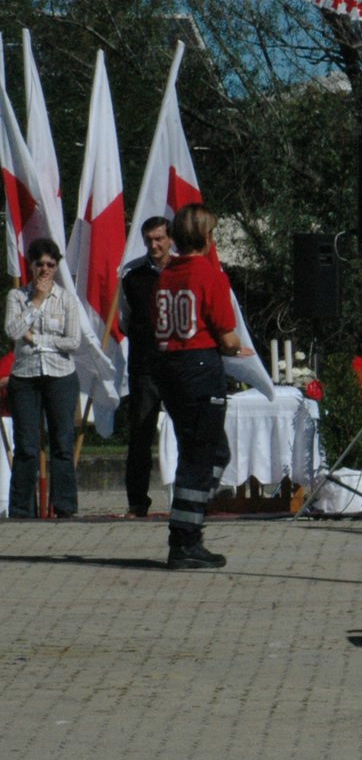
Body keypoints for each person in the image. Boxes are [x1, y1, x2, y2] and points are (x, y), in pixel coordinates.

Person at [155, 204, 253, 568]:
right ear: (205, 238)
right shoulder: (209, 276)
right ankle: (185, 539)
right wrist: (235, 348)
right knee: (201, 458)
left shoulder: (165, 275)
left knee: (209, 453)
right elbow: (227, 337)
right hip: (199, 367)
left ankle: (187, 527)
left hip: (170, 367)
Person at [6, 239, 83, 518]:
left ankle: (64, 507)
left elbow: (73, 341)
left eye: (51, 264)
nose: (45, 270)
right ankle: (21, 510)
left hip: (60, 375)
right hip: (25, 376)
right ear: (32, 265)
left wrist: (37, 339)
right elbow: (14, 331)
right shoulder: (17, 297)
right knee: (26, 446)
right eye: (40, 264)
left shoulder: (66, 300)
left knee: (62, 443)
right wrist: (36, 302)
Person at [119, 216, 173, 517]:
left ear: (170, 239)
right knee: (140, 433)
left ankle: (191, 497)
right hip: (145, 366)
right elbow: (125, 321)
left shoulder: (184, 270)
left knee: (187, 431)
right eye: (149, 240)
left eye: (159, 239)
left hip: (179, 364)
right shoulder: (132, 275)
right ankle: (137, 501)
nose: (154, 245)